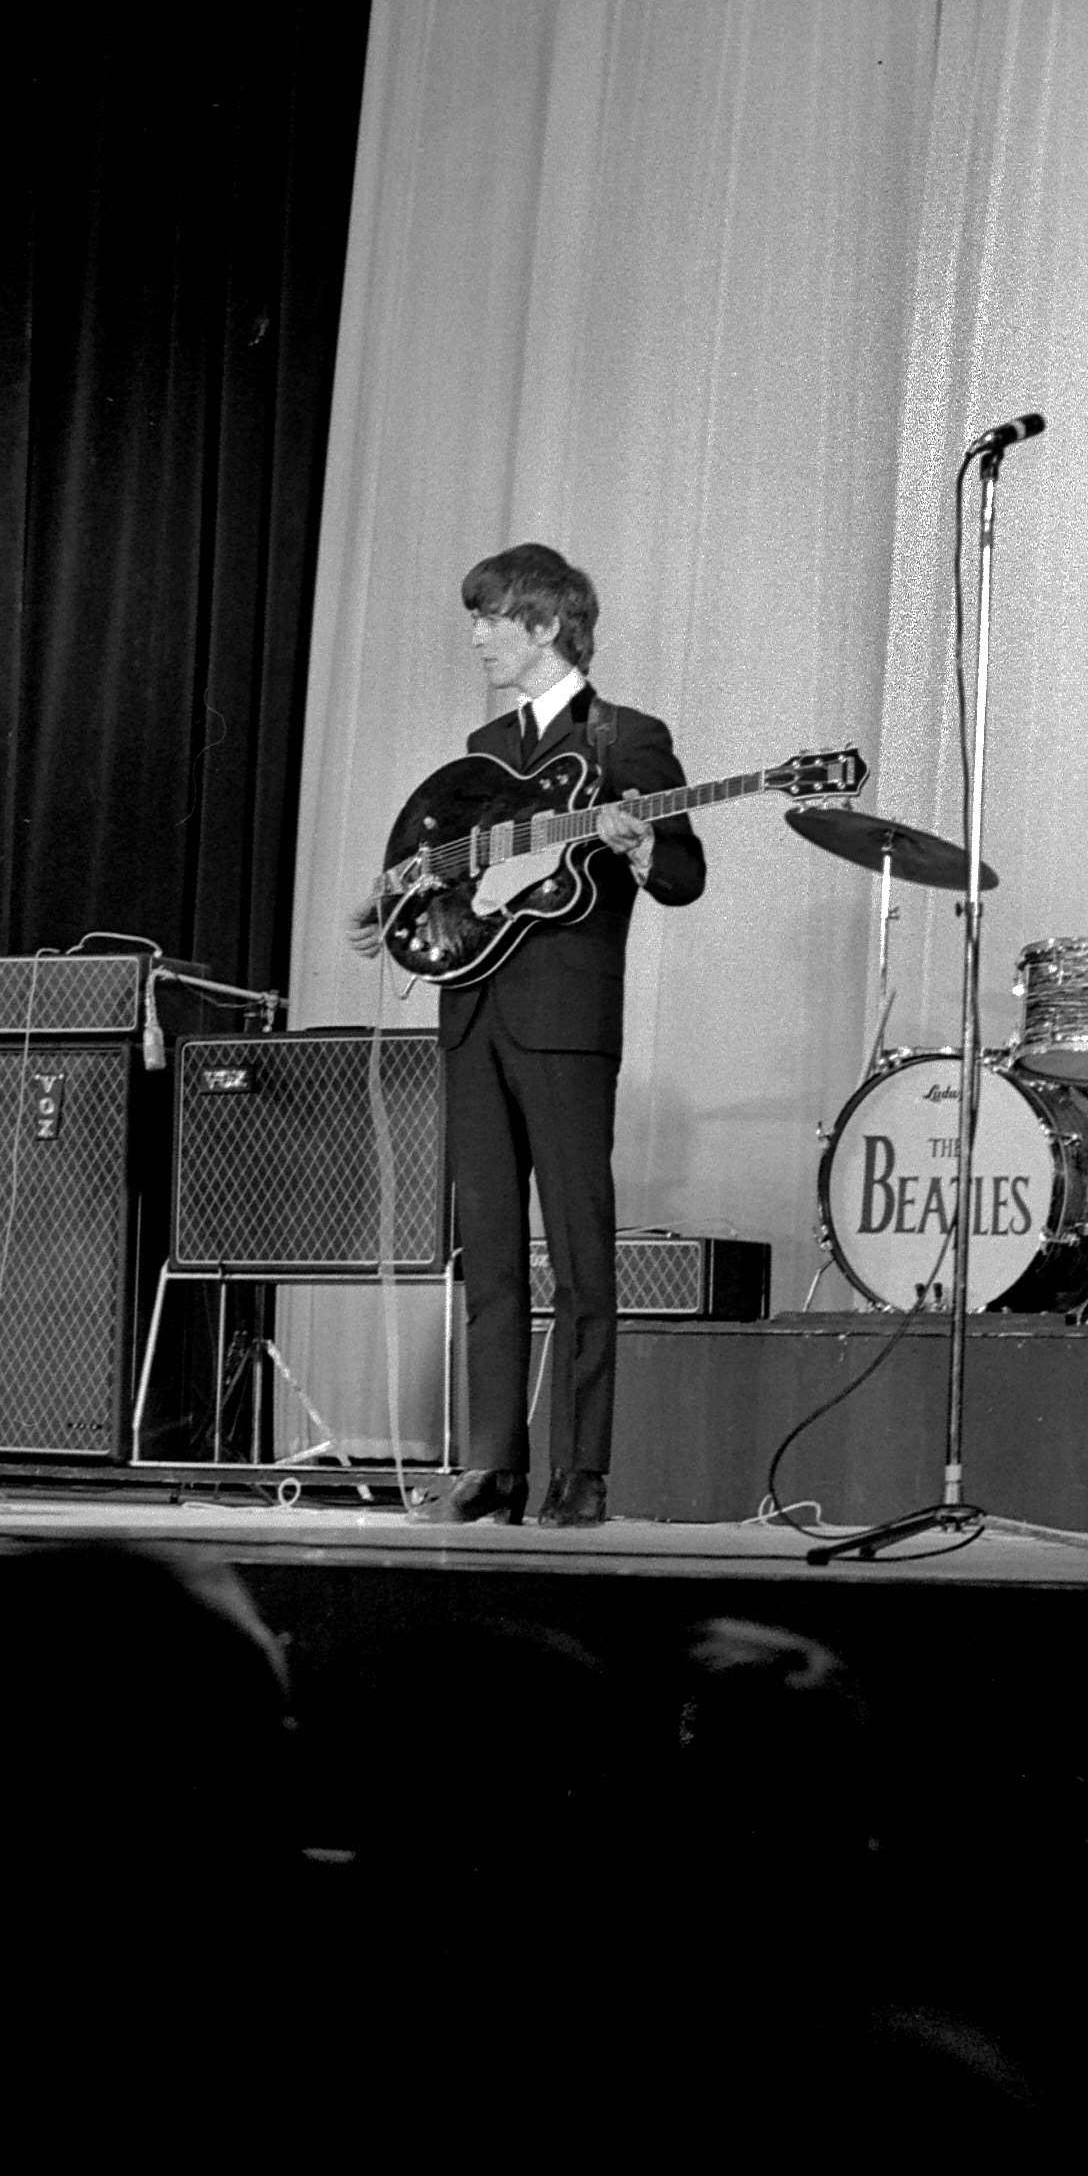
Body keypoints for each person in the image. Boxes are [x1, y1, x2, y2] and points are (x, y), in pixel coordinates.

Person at [371, 545, 706, 1526]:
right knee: (489, 1253)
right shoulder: (482, 745)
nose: (475, 635)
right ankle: (492, 1466)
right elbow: (446, 873)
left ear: (547, 624)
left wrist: (642, 843)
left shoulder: (628, 738)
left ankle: (582, 1473)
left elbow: (683, 875)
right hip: (470, 1011)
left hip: (562, 1018)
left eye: (490, 618)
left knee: (579, 1249)